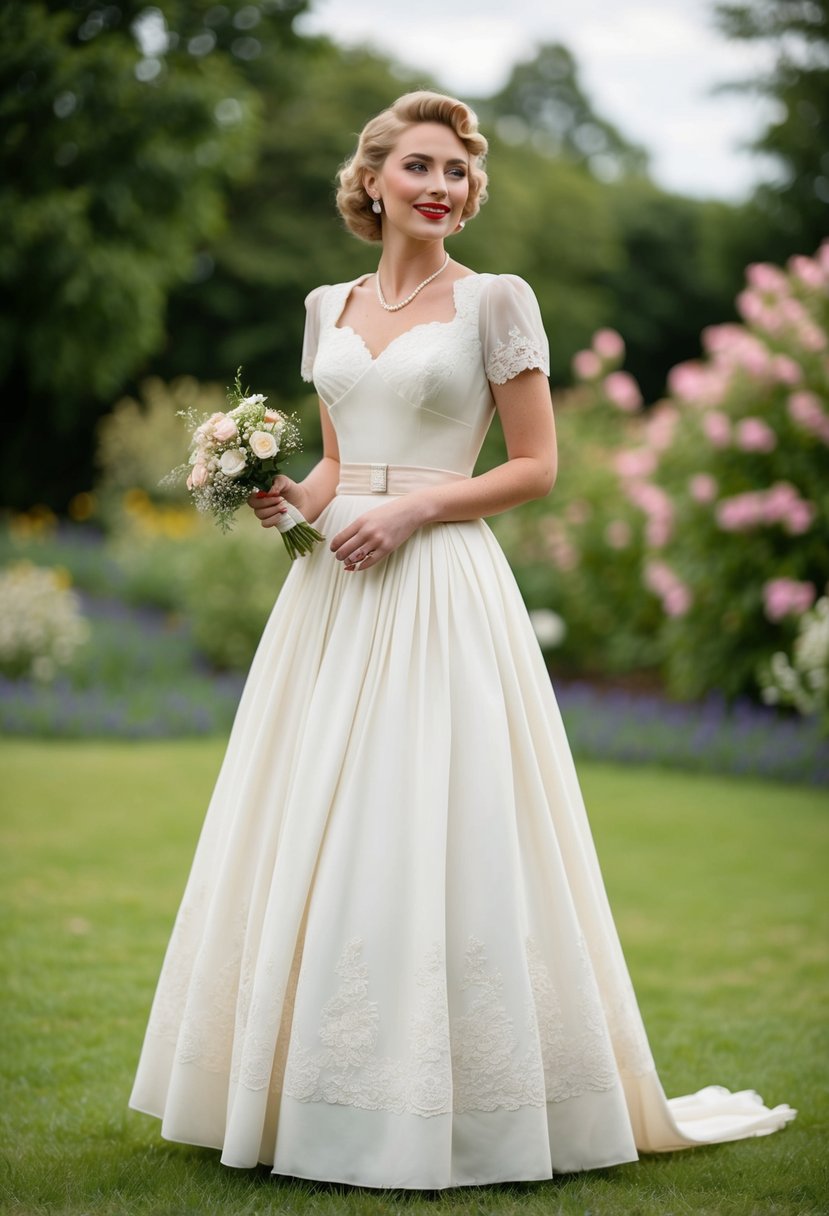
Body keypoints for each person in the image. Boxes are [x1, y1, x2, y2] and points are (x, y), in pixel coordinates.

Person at [129, 90, 795, 1189]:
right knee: (318, 822)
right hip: (335, 590)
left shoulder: (495, 301)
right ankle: (300, 1094)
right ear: (374, 180)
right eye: (421, 168)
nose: (442, 187)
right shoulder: (323, 304)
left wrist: (415, 510)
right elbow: (343, 463)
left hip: (439, 578)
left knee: (431, 819)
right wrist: (290, 497)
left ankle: (460, 1100)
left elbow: (534, 464)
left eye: (457, 172)